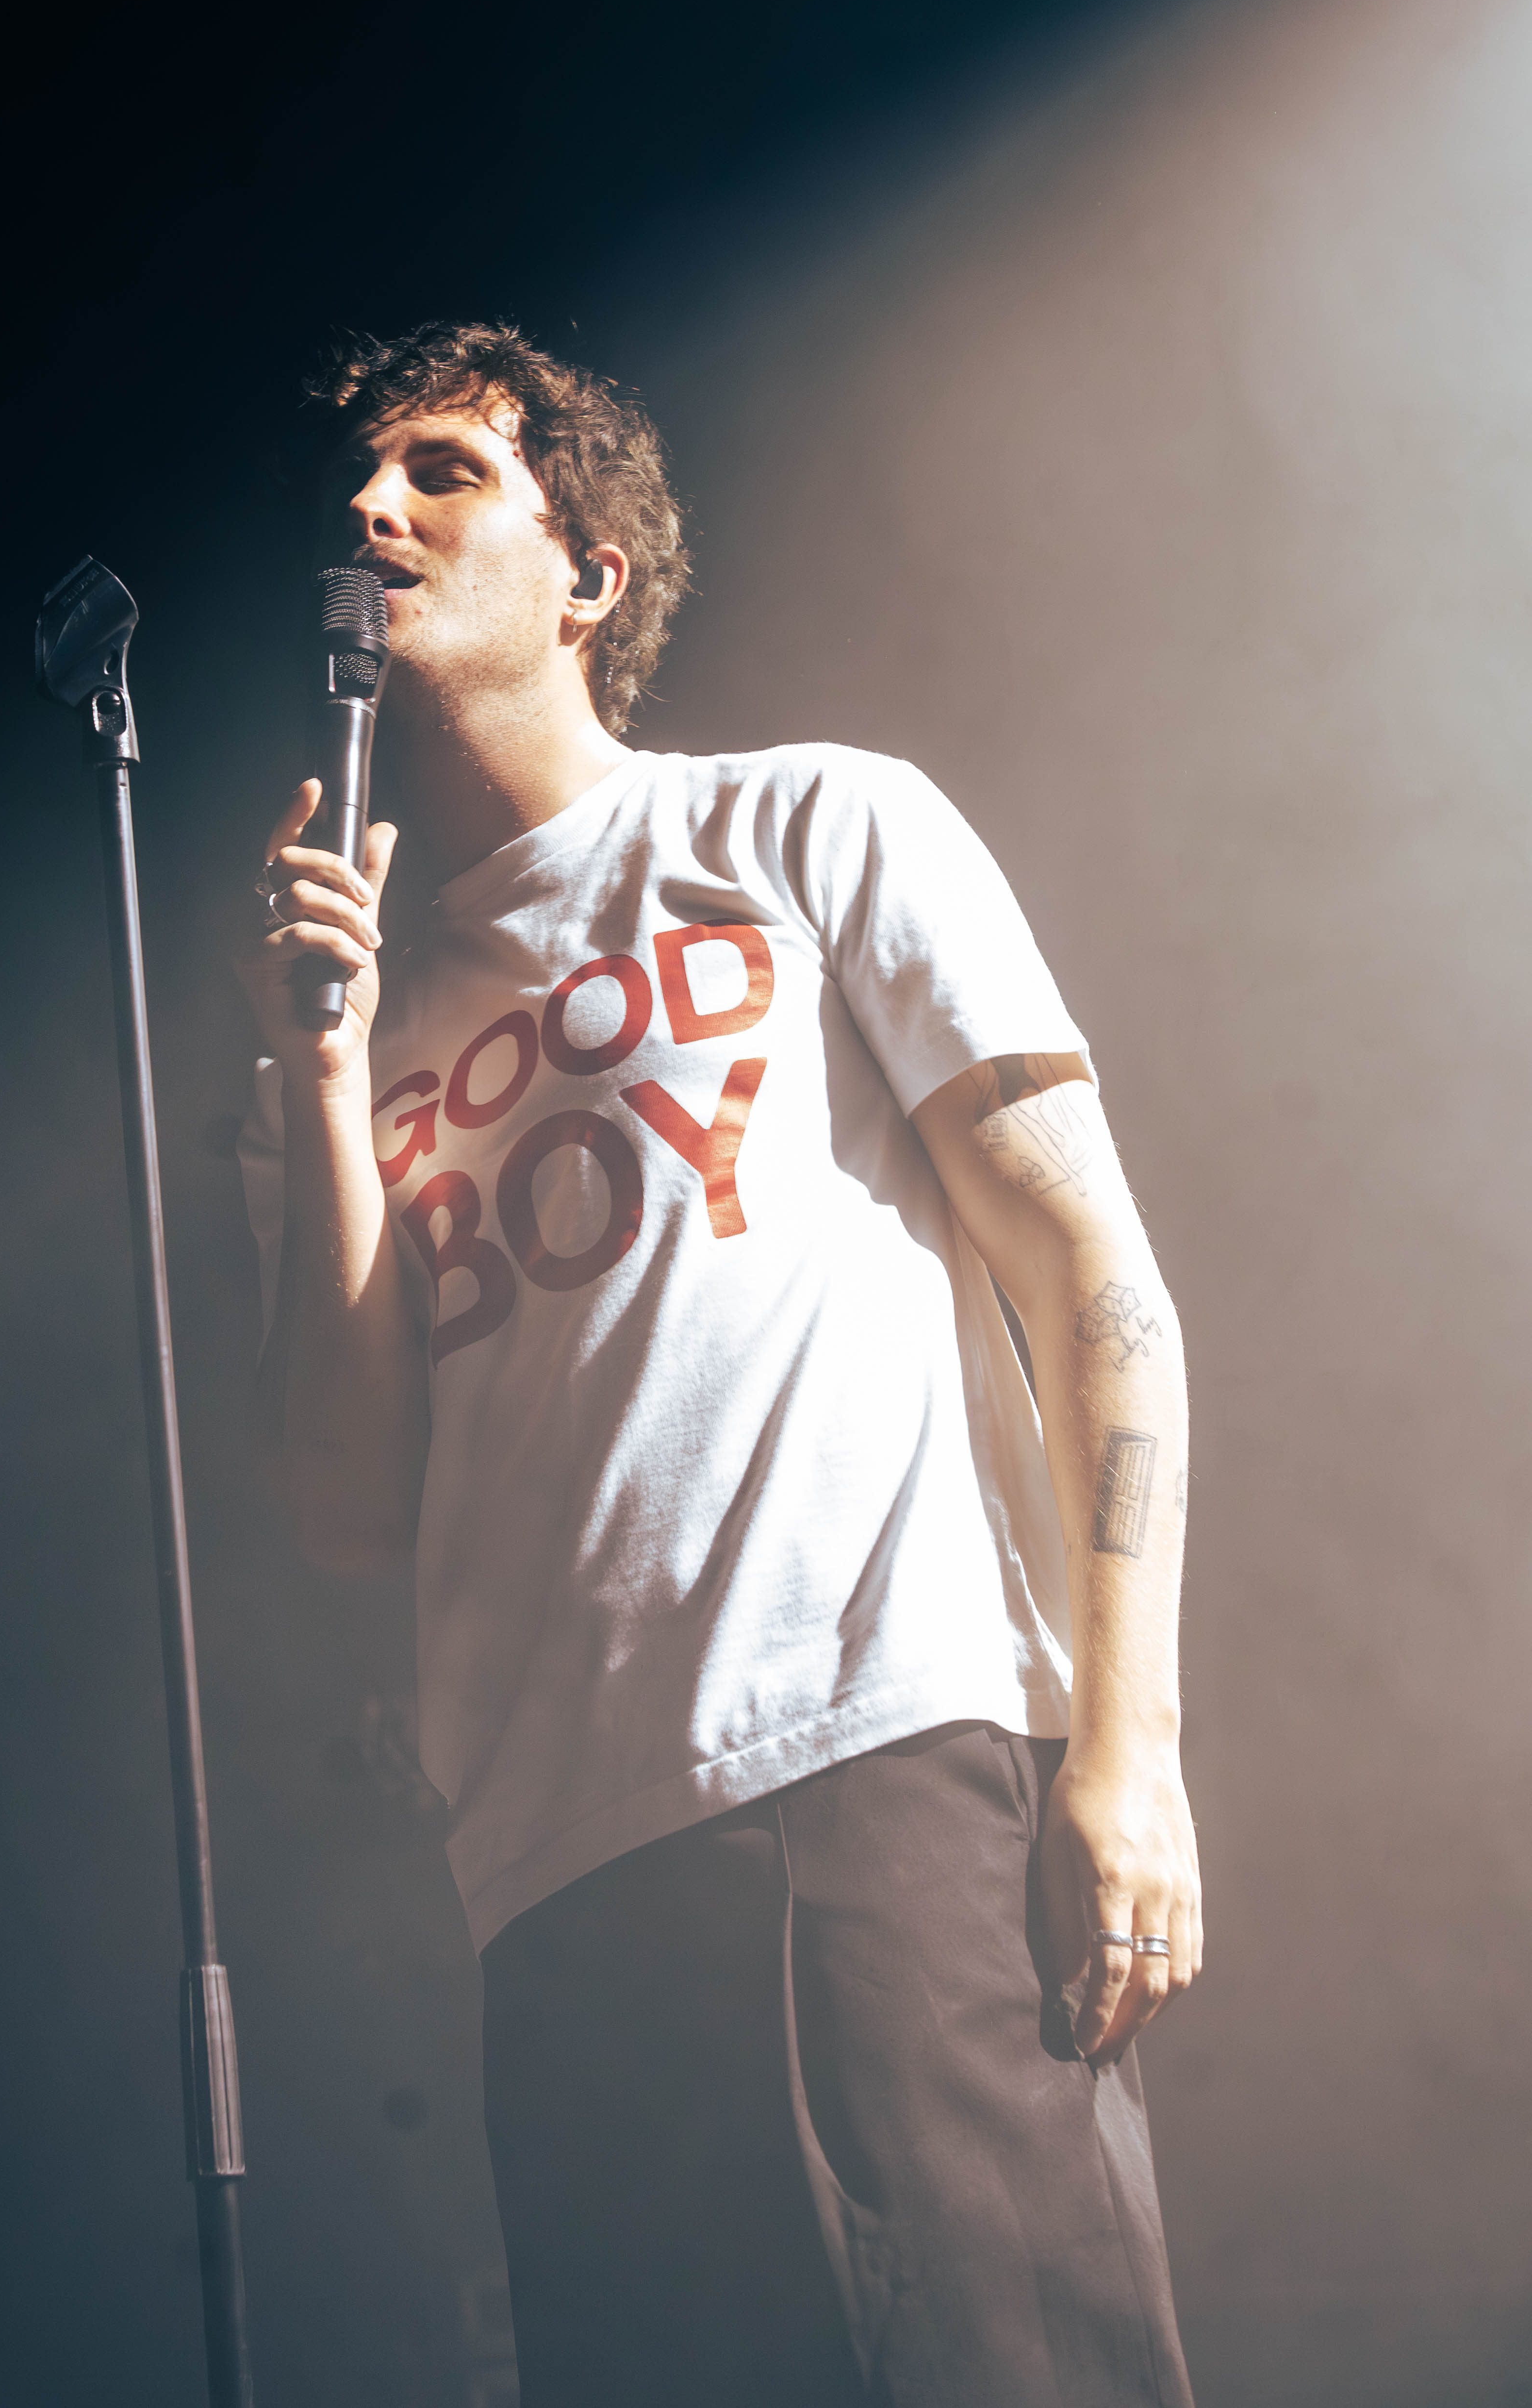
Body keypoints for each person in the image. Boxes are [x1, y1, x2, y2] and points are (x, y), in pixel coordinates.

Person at [233, 321, 1200, 2407]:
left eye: (442, 470)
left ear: (589, 573)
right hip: (556, 1884)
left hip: (879, 1764)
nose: (371, 508)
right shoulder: (344, 1026)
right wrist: (317, 1079)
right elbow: (344, 1507)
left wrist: (1129, 1750)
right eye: (354, 481)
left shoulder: (807, 825)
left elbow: (1093, 1277)